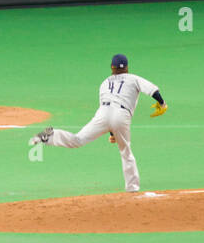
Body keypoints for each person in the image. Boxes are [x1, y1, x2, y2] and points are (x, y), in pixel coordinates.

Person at [33, 54, 166, 192]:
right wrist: (162, 103)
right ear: (126, 67)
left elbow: (108, 111)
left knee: (78, 139)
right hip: (121, 115)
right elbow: (153, 90)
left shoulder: (105, 83)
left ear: (111, 67)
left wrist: (112, 133)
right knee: (126, 151)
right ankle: (132, 188)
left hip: (103, 113)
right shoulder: (133, 78)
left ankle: (50, 136)